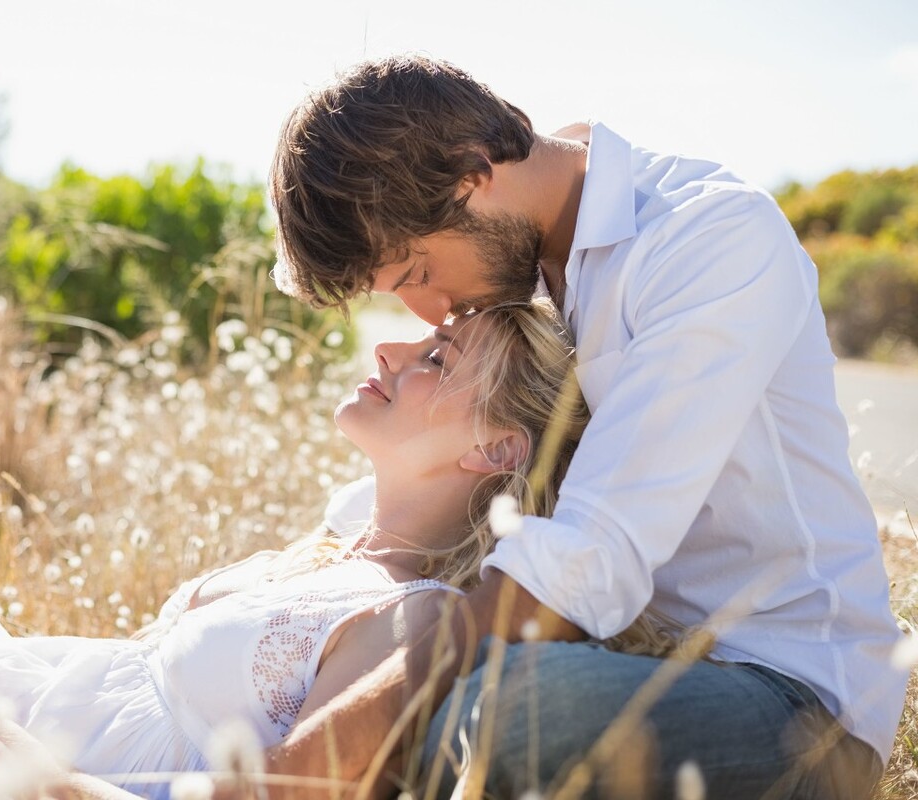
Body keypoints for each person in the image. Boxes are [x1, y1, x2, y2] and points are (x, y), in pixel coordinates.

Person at [268, 54, 905, 798]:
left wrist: (324, 749)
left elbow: (591, 557)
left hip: (789, 693)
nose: (433, 312)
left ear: (473, 170)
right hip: (624, 658)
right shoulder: (525, 254)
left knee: (506, 715)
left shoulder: (706, 236)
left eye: (416, 273)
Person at [0, 300, 610, 799]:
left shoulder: (417, 625)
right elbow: (137, 695)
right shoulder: (336, 550)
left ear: (496, 451)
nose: (391, 346)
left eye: (440, 359)